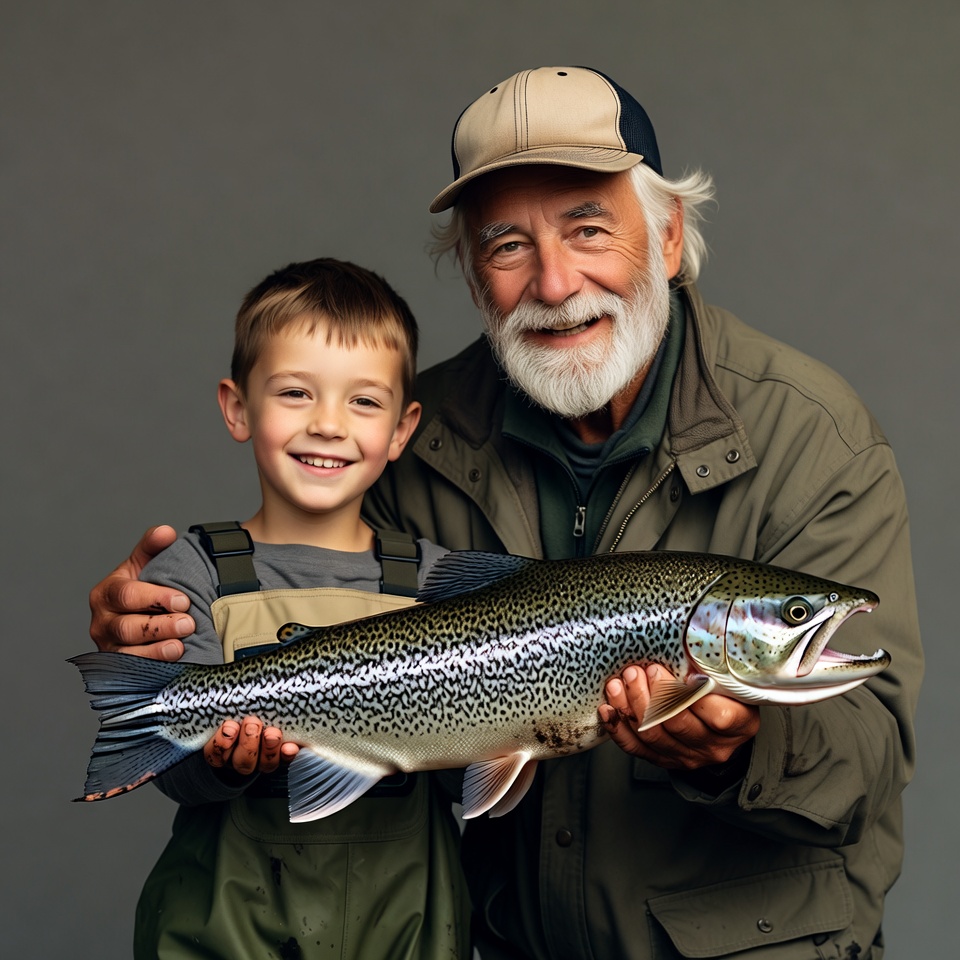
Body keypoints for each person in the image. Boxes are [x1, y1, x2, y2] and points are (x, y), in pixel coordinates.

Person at [90, 67, 922, 960]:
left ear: (670, 237)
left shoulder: (815, 434)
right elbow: (296, 617)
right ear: (471, 273)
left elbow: (871, 755)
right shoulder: (409, 429)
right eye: (506, 245)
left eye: (589, 228)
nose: (556, 283)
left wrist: (740, 753)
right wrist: (165, 633)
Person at [125, 258, 470, 959]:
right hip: (228, 930)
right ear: (237, 407)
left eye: (363, 402)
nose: (328, 425)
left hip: (408, 930)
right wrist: (225, 765)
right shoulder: (194, 573)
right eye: (295, 393)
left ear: (403, 430)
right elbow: (171, 770)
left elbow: (473, 764)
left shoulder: (438, 581)